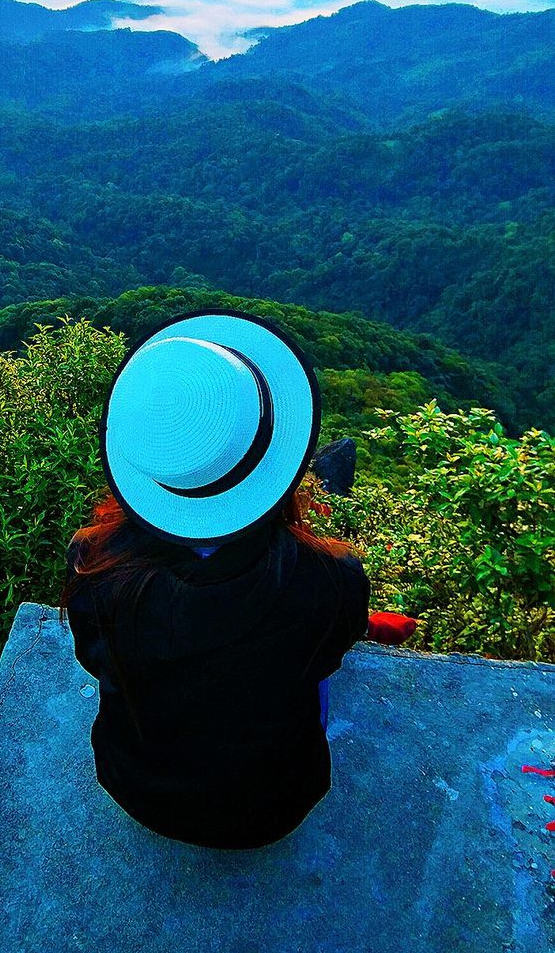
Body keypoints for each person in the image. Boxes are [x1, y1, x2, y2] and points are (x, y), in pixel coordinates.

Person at [59, 307, 417, 850]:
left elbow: (94, 658)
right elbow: (323, 661)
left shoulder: (94, 563)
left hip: (135, 786)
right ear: (280, 462)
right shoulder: (329, 579)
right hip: (273, 806)